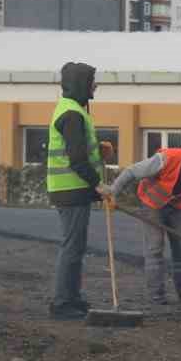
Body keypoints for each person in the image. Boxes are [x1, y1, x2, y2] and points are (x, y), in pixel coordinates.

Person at [110, 141, 181, 305]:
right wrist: (113, 193)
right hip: (151, 204)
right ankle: (156, 295)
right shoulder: (166, 159)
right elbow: (132, 171)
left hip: (176, 206)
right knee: (155, 248)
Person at [46, 61, 112, 320]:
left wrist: (98, 148)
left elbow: (80, 149)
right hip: (70, 190)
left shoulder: (72, 110)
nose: (95, 85)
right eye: (91, 81)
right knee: (72, 247)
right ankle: (63, 304)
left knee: (76, 246)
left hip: (73, 190)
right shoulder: (72, 114)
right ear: (81, 84)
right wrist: (98, 184)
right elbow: (76, 159)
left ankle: (72, 298)